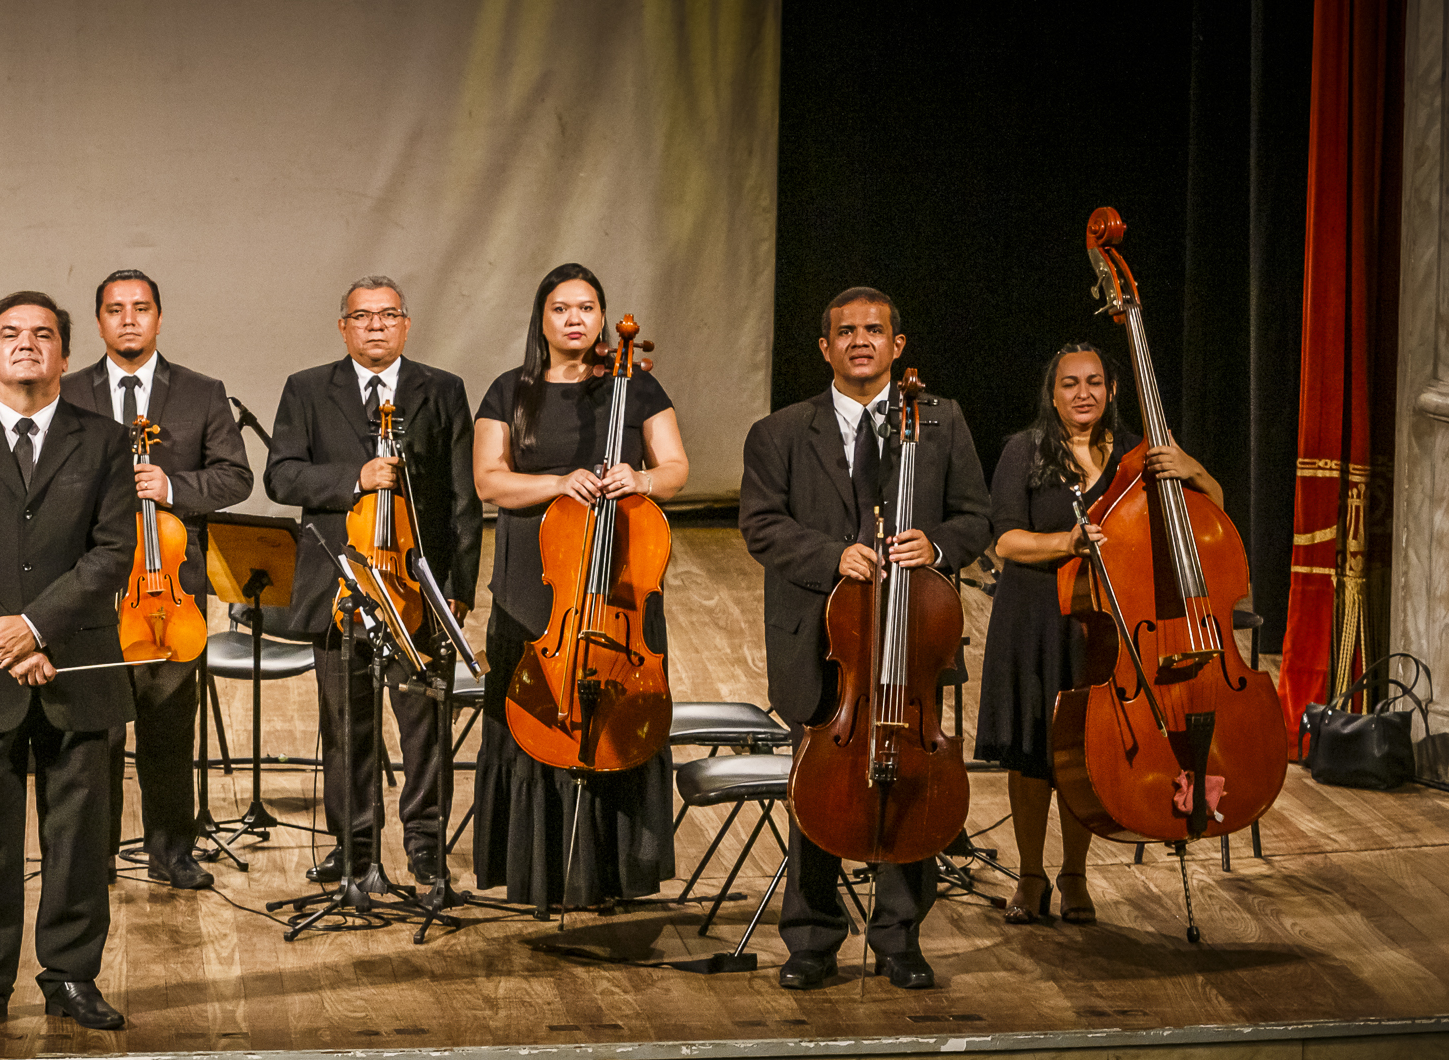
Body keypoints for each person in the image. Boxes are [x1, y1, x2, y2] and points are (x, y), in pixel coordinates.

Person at [740, 286, 991, 990]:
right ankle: (812, 939)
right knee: (819, 794)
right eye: (845, 331)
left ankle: (900, 937)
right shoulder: (781, 431)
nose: (860, 340)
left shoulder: (940, 422)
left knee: (915, 784)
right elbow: (761, 524)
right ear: (824, 348)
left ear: (897, 345)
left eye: (875, 330)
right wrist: (831, 556)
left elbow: (976, 517)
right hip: (825, 642)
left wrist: (935, 546)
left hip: (913, 641)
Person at [0, 292, 136, 1033]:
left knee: (77, 837)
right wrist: (6, 642)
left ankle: (71, 976)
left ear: (65, 357)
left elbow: (111, 554)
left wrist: (38, 627)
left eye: (43, 335)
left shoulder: (106, 440)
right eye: (10, 334)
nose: (26, 344)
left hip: (78, 666)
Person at [978, 342, 1222, 925]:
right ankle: (1031, 877)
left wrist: (1195, 470)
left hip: (1110, 626)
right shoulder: (1025, 450)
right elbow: (1005, 540)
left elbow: (1211, 516)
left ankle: (1074, 878)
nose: (1083, 393)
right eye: (1069, 384)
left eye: (1094, 382)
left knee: (1083, 755)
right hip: (1035, 616)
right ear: (1052, 392)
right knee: (1033, 752)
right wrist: (1067, 543)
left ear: (1112, 390)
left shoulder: (1140, 456)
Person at [470, 262, 690, 907]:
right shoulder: (509, 391)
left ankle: (617, 874)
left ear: (602, 318)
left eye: (588, 308)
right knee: (535, 711)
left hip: (618, 580)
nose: (576, 319)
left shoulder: (638, 388)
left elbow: (674, 468)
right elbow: (490, 480)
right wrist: (559, 482)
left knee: (617, 706)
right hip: (535, 582)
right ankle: (538, 873)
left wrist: (641, 481)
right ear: (542, 319)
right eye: (562, 308)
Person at [265, 277, 481, 893]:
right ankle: (354, 849)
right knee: (347, 727)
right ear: (343, 328)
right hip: (340, 589)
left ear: (406, 324)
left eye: (388, 315)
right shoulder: (306, 389)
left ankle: (425, 847)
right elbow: (282, 476)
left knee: (424, 726)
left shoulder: (442, 390)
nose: (376, 326)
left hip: (416, 587)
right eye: (362, 317)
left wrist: (457, 589)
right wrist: (354, 478)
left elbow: (462, 498)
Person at [58, 268, 254, 890]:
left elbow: (235, 477)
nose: (128, 319)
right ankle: (98, 853)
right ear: (99, 323)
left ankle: (173, 850)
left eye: (140, 308)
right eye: (115, 310)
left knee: (170, 724)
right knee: (98, 729)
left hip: (168, 589)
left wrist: (173, 487)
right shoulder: (68, 393)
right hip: (91, 589)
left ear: (159, 317)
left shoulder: (200, 392)